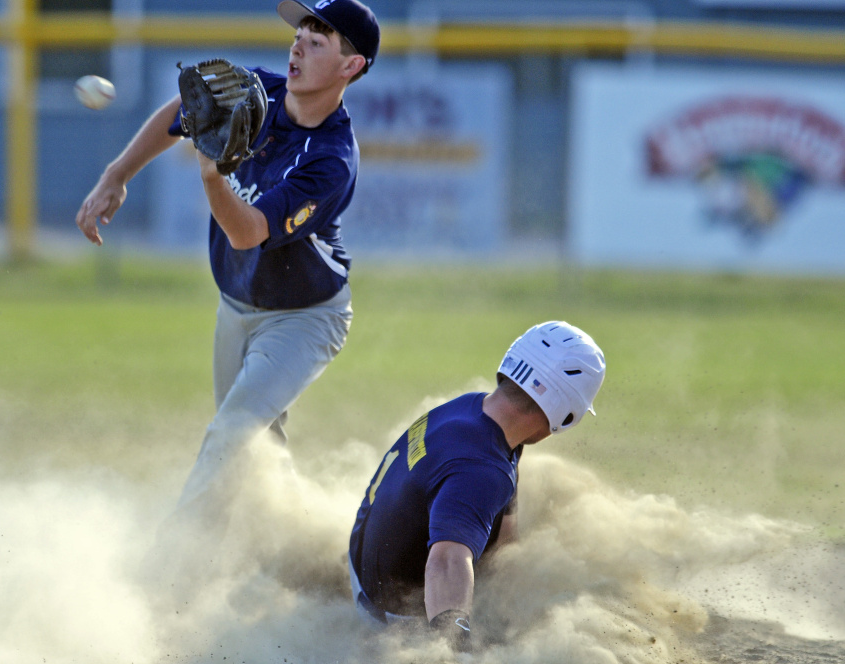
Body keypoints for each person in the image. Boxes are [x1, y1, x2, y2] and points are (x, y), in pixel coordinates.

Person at [75, 0, 381, 508]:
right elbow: (181, 111)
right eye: (300, 30)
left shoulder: (330, 161)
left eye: (318, 37)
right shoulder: (260, 92)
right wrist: (117, 174)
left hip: (303, 318)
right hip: (235, 305)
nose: (298, 42)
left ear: (352, 66)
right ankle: (291, 541)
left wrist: (212, 173)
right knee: (254, 447)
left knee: (230, 435)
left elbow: (248, 233)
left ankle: (169, 568)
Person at [348, 321, 607, 651]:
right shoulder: (481, 471)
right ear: (567, 412)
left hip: (363, 563)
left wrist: (508, 582)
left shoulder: (477, 411)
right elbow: (447, 561)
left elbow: (504, 529)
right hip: (389, 616)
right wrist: (451, 648)